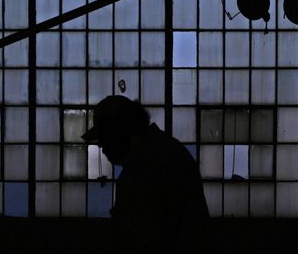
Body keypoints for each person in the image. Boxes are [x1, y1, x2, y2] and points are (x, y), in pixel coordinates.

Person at [83, 95, 211, 253]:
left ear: (118, 130)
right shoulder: (167, 149)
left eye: (104, 136)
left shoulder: (142, 169)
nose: (101, 145)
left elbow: (141, 241)